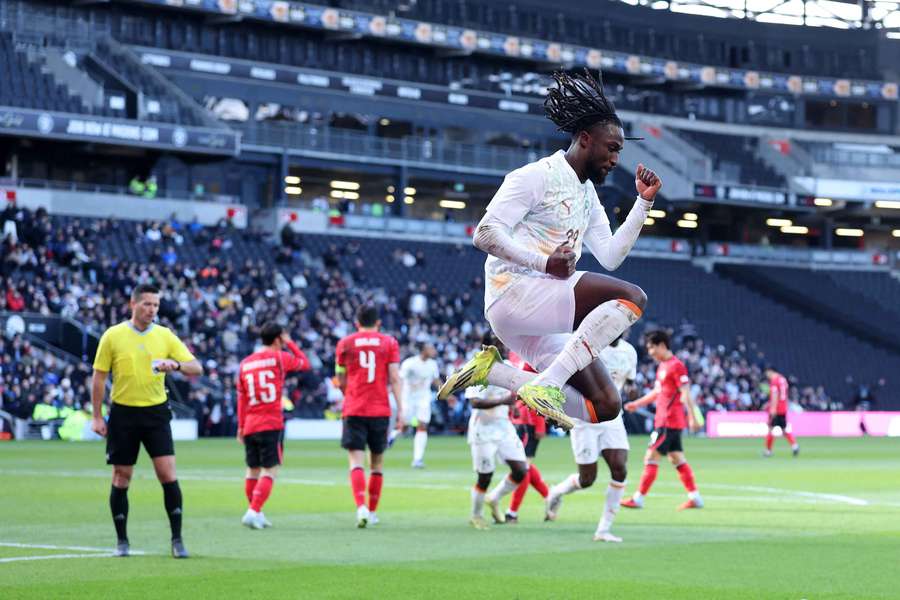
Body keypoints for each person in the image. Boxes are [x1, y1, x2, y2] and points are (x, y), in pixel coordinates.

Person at [439, 68, 660, 431]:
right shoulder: (535, 176)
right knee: (632, 297)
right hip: (514, 294)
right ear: (586, 139)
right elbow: (483, 233)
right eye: (613, 148)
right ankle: (551, 383)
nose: (616, 158)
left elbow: (611, 255)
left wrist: (643, 204)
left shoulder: (587, 193)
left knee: (604, 406)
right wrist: (543, 262)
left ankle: (493, 372)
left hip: (539, 314)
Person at [91, 283, 203, 558]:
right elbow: (99, 377)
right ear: (133, 304)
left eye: (155, 305)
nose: (152, 309)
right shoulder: (113, 336)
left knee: (167, 474)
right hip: (123, 414)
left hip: (155, 413)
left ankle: (177, 540)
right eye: (147, 304)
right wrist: (96, 415)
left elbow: (196, 367)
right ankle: (122, 541)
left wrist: (174, 365)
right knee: (122, 476)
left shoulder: (165, 336)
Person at [545, 333, 636, 542]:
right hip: (585, 418)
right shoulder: (591, 347)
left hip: (612, 418)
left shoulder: (629, 351)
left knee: (620, 469)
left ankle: (603, 530)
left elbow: (629, 382)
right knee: (587, 479)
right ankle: (556, 492)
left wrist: (632, 391)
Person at [236, 322, 310, 529]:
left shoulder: (245, 363)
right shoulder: (279, 357)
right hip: (270, 422)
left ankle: (256, 512)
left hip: (250, 423)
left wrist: (241, 426)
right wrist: (291, 343)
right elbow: (304, 363)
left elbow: (241, 398)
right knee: (270, 470)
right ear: (278, 339)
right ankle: (253, 511)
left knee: (252, 470)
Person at [335, 304, 404, 528]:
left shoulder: (345, 343)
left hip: (354, 408)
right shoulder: (389, 343)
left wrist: (349, 394)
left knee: (355, 461)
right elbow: (394, 378)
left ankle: (361, 507)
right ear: (378, 323)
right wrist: (401, 409)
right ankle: (373, 512)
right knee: (377, 464)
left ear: (357, 323)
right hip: (379, 409)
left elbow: (339, 378)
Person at [621, 330, 702, 511]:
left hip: (668, 422)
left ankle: (638, 498)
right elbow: (658, 393)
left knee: (651, 457)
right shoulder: (663, 366)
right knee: (676, 458)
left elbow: (685, 392)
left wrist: (693, 417)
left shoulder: (676, 366)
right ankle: (695, 497)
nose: (650, 352)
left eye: (651, 348)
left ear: (662, 345)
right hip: (666, 421)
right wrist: (637, 404)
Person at [465, 335, 529, 529]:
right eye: (498, 344)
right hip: (482, 430)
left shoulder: (509, 365)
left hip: (503, 426)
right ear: (487, 348)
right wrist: (503, 402)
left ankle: (494, 498)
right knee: (485, 476)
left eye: (503, 343)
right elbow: (474, 402)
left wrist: (512, 408)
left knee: (520, 470)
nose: (503, 347)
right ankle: (476, 515)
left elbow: (509, 392)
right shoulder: (477, 368)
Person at [504, 357, 550, 524]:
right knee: (524, 467)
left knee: (523, 468)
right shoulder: (528, 358)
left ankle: (512, 512)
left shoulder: (526, 358)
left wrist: (539, 425)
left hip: (528, 423)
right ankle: (550, 498)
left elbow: (537, 392)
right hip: (523, 421)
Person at [399, 343, 441, 468]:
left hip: (423, 399)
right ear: (423, 350)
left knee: (422, 425)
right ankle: (391, 437)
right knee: (404, 427)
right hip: (408, 398)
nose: (433, 350)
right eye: (431, 348)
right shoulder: (409, 363)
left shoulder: (433, 364)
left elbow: (436, 380)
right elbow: (400, 380)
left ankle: (417, 459)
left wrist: (447, 393)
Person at [763, 366, 799, 457]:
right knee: (783, 429)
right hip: (783, 408)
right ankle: (794, 445)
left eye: (767, 373)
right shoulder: (783, 380)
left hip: (777, 409)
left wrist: (772, 409)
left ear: (770, 371)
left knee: (771, 429)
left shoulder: (774, 381)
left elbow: (775, 395)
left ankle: (768, 450)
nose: (767, 376)